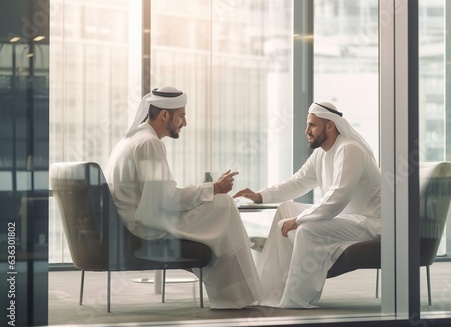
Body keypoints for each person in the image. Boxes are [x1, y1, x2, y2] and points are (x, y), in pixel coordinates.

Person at [104, 86, 262, 309]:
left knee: (219, 206)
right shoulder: (149, 142)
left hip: (134, 219)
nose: (184, 123)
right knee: (224, 203)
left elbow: (161, 195)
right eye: (182, 116)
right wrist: (213, 188)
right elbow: (167, 199)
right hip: (143, 225)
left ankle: (234, 293)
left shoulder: (135, 138)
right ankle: (234, 295)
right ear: (165, 115)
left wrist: (208, 190)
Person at [234, 101, 381, 309]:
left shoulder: (350, 149)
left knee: (306, 229)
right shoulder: (322, 153)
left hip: (368, 225)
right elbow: (297, 183)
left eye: (312, 125)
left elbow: (337, 197)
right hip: (346, 219)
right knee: (286, 209)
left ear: (330, 126)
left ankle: (296, 298)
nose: (306, 131)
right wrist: (260, 196)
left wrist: (300, 219)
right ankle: (268, 289)